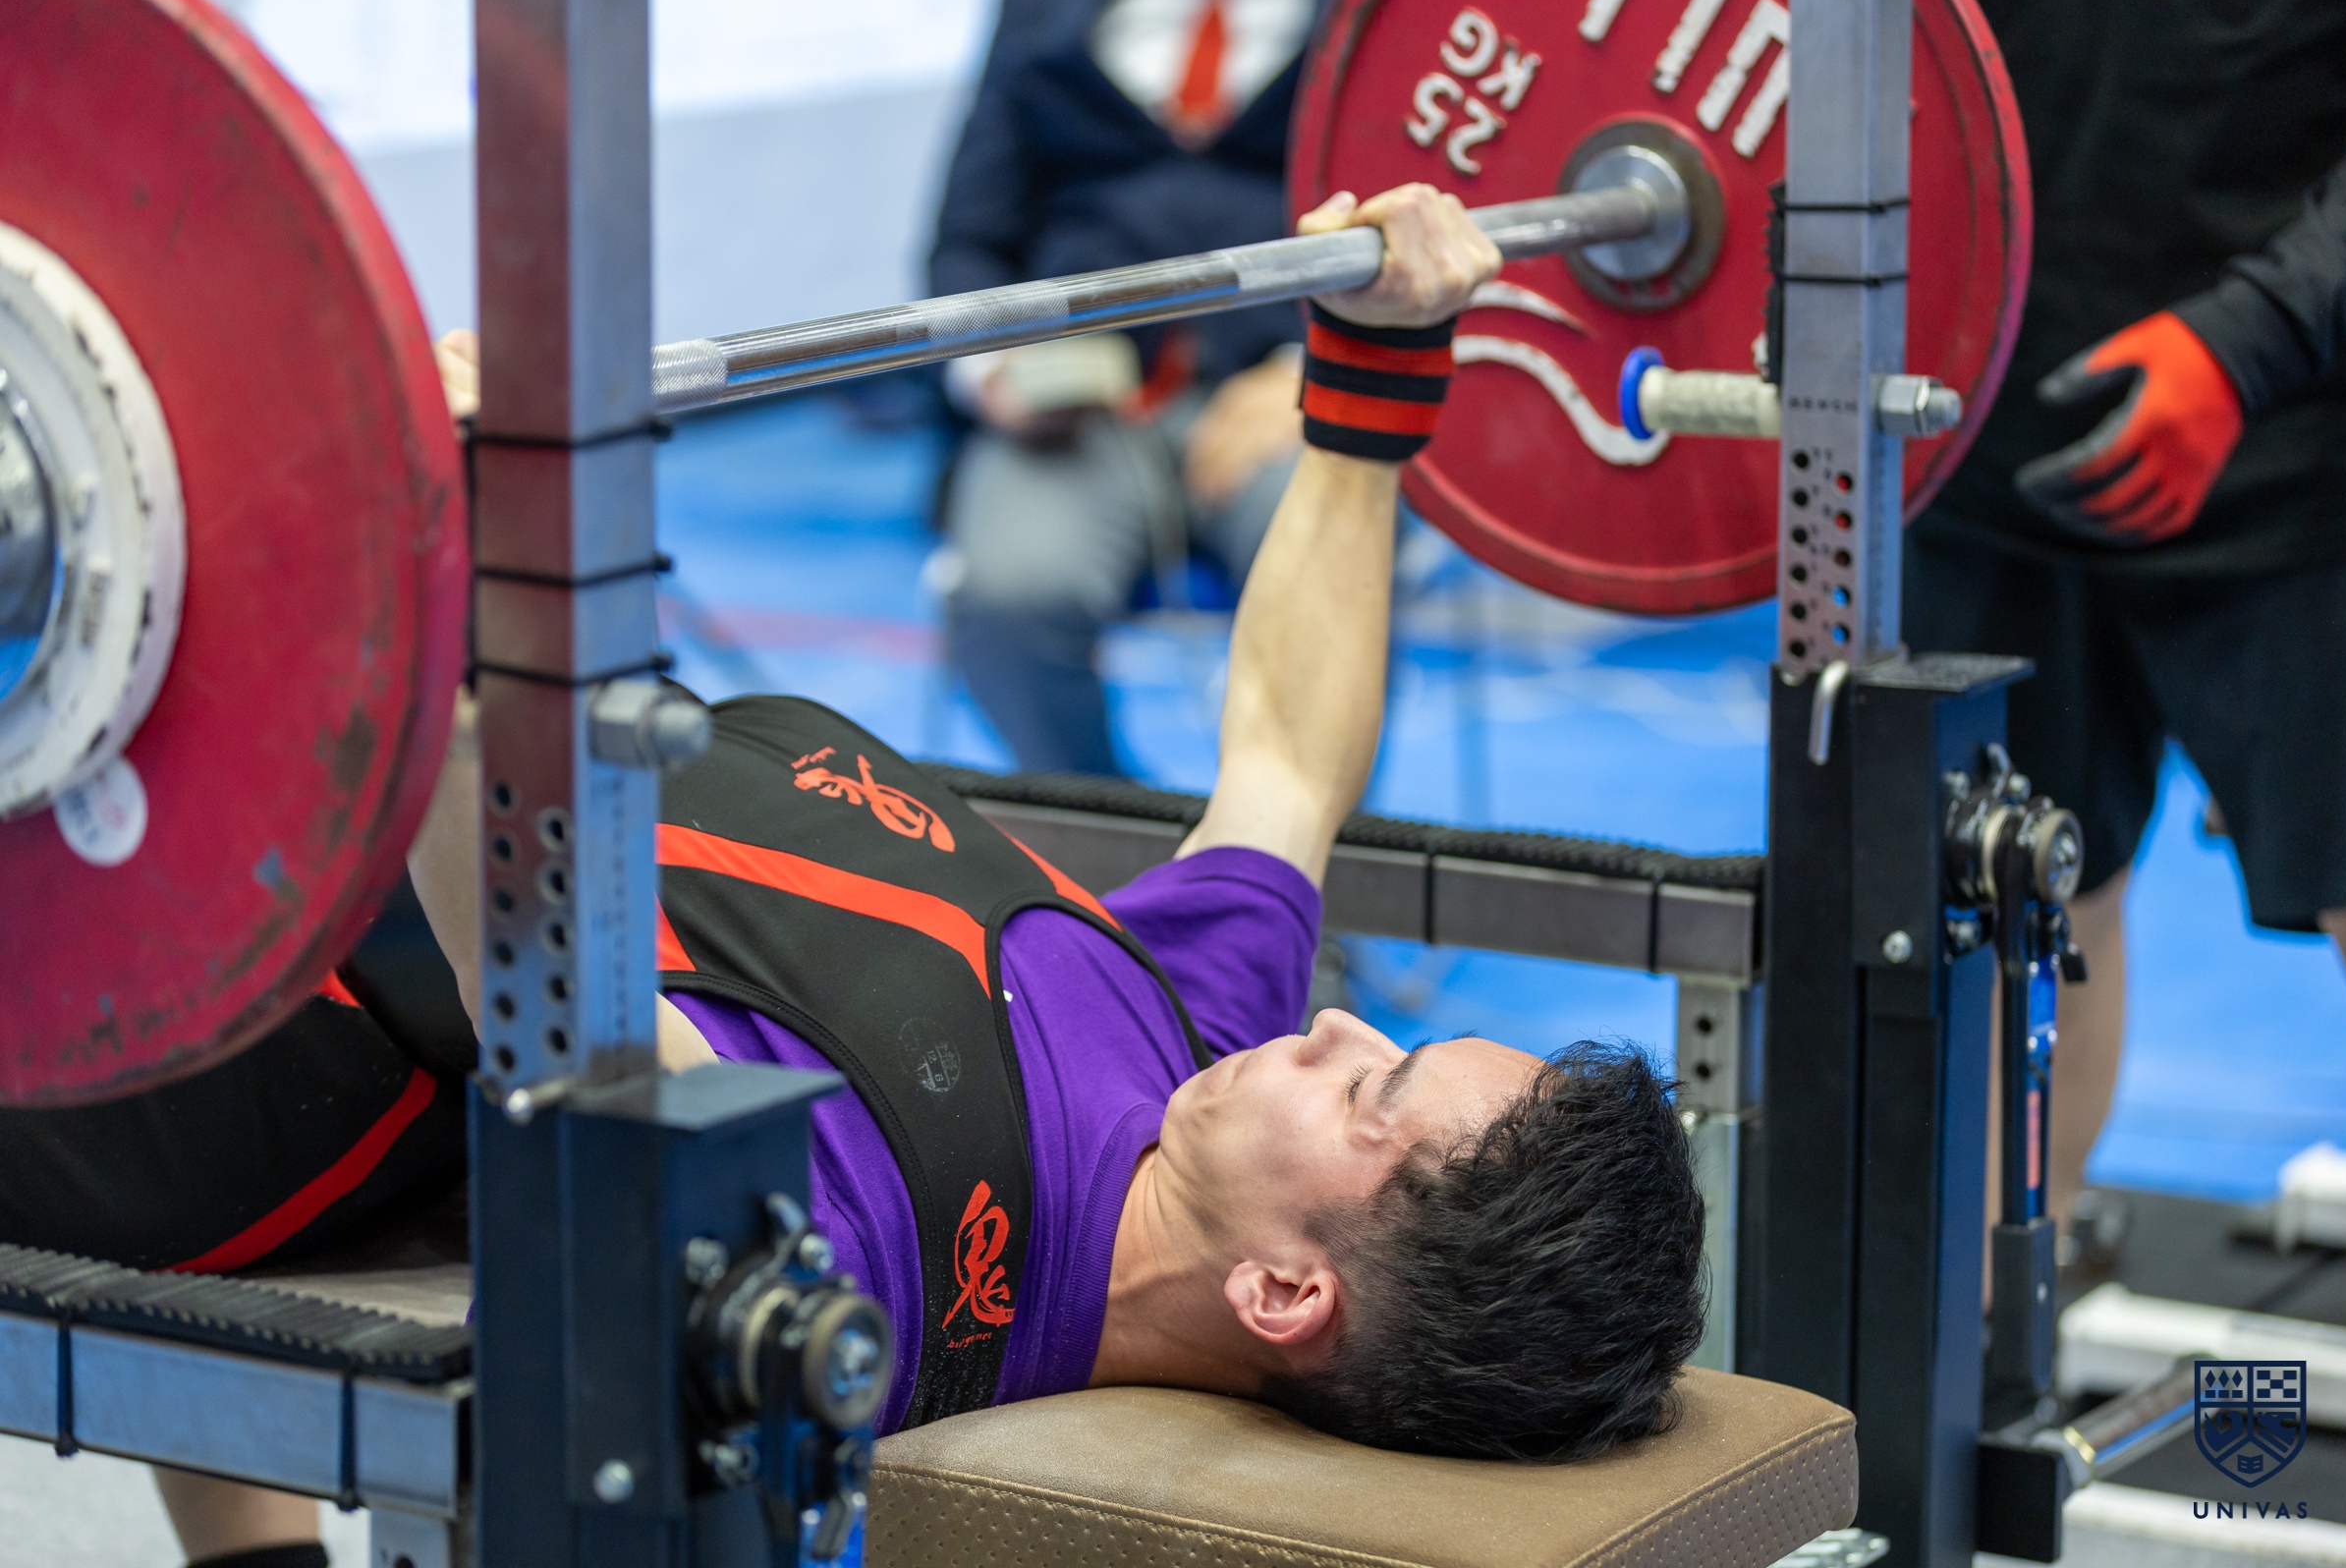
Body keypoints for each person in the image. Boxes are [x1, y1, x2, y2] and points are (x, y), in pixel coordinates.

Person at [9, 186, 1705, 1566]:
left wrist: (474, 607)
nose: (1335, 1025)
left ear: (1283, 1291)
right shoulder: (1213, 1041)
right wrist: (1377, 373)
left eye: (1374, 1090)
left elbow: (577, 1027)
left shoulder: (875, 1263)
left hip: (174, 992)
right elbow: (1284, 756)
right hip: (297, 797)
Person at [1902, 0, 2346, 1255]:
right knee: (2015, 919)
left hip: (2305, 455)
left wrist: (2257, 338)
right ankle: (1993, 1332)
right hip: (1981, 437)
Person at [926, 0, 1321, 774]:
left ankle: (1282, 836)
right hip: (1081, 404)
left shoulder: (1376, 21)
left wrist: (1321, 371)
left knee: (1328, 582)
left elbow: (1440, 232)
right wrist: (993, 373)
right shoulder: (1040, 15)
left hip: (1289, 390)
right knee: (1011, 591)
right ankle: (1102, 817)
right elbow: (967, 242)